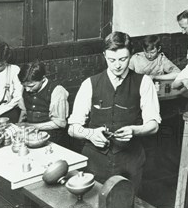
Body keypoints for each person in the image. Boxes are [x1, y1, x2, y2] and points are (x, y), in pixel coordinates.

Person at [68, 31, 161, 193]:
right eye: (111, 60)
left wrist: (135, 130)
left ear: (131, 55)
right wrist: (89, 134)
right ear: (104, 55)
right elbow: (72, 128)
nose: (117, 65)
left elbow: (153, 125)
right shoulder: (90, 84)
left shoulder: (144, 83)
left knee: (130, 207)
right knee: (93, 206)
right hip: (95, 162)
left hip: (130, 161)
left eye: (123, 59)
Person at [17, 61, 69, 146]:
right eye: (24, 86)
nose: (27, 90)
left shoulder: (57, 91)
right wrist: (19, 127)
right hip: (30, 133)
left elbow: (60, 124)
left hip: (51, 136)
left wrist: (29, 125)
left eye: (31, 86)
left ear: (43, 79)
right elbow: (24, 111)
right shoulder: (26, 87)